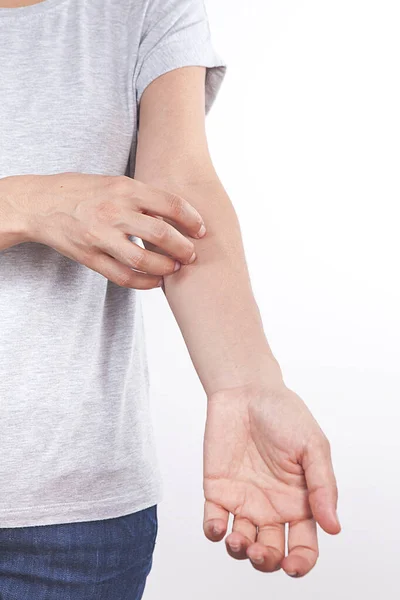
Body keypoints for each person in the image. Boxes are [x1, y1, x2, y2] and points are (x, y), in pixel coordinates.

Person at [0, 0, 341, 597]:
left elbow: (179, 190)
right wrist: (30, 204)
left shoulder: (144, 6)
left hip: (76, 517)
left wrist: (248, 385)